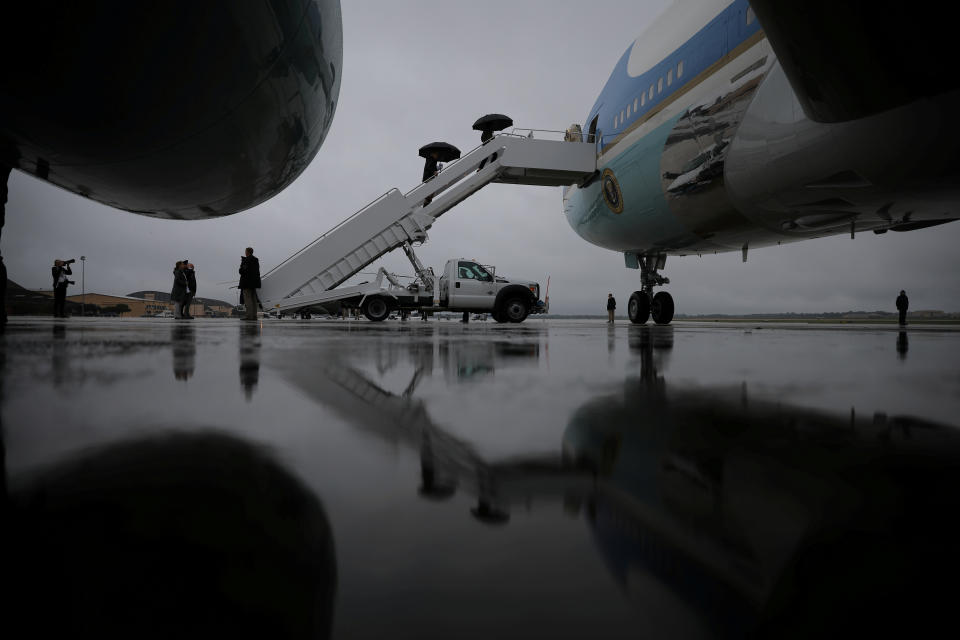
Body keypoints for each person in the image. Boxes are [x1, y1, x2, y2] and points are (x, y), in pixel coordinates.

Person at [239, 247, 261, 321]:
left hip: (246, 282)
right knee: (253, 299)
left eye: (245, 251)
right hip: (254, 283)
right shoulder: (255, 260)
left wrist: (240, 269)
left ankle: (249, 316)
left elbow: (242, 271)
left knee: (248, 299)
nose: (245, 252)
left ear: (247, 252)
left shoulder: (247, 260)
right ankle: (254, 316)